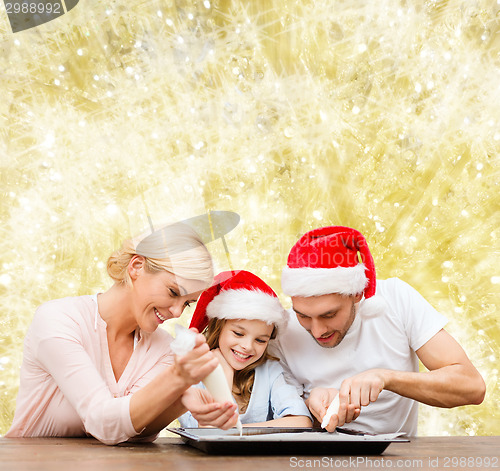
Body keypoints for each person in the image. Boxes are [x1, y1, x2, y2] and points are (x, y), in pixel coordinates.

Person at [6, 222, 239, 445]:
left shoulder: (162, 348)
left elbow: (132, 433)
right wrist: (176, 380)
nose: (177, 312)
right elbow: (102, 423)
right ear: (136, 266)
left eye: (187, 303)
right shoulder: (59, 320)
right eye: (173, 292)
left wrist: (180, 401)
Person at [270, 225, 486, 436]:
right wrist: (311, 406)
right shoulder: (283, 330)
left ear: (357, 293)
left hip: (395, 459)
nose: (317, 331)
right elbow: (275, 419)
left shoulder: (396, 299)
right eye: (303, 316)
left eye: (329, 315)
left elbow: (471, 386)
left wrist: (386, 378)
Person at [178, 270, 312, 428]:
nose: (248, 346)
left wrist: (236, 431)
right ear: (218, 327)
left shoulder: (270, 371)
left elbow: (301, 422)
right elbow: (207, 431)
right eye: (238, 333)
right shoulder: (192, 374)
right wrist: (224, 378)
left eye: (260, 340)